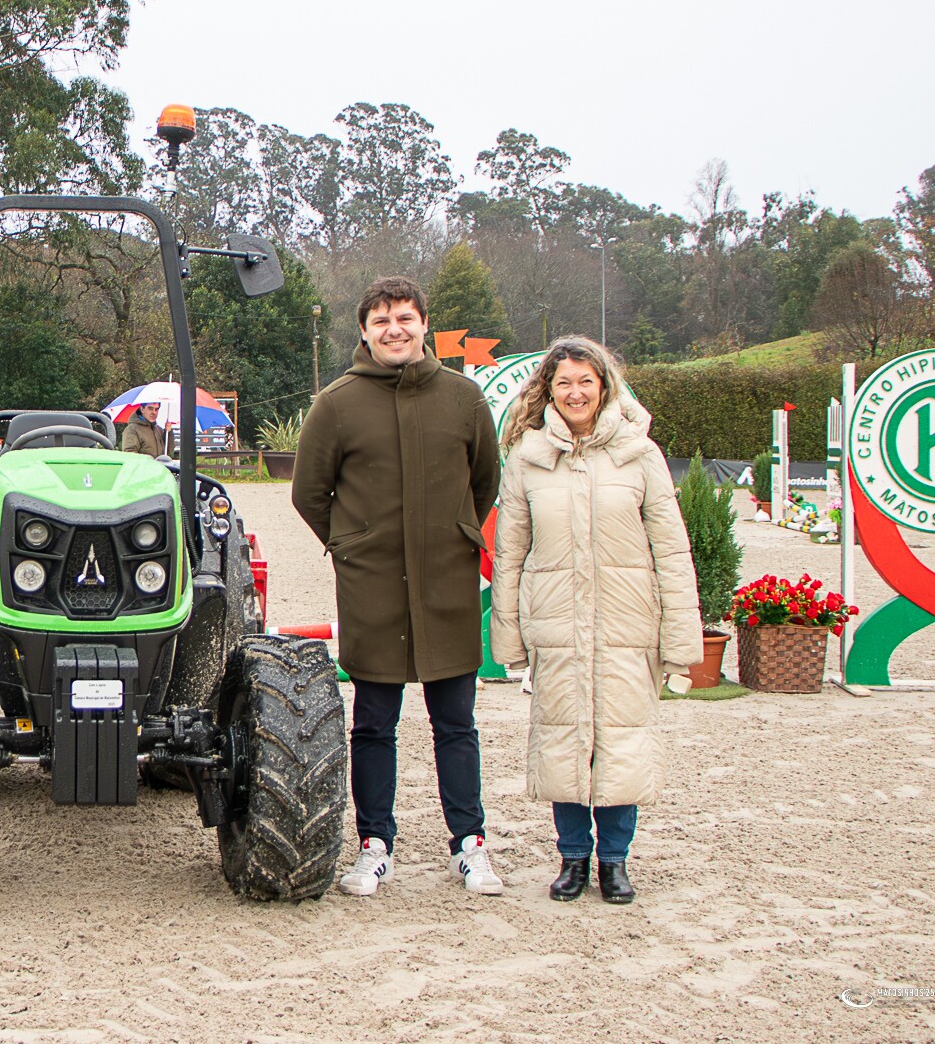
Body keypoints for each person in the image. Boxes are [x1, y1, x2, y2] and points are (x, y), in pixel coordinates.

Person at [291, 276, 503, 899]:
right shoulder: (337, 403)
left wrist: (456, 533)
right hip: (374, 586)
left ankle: (469, 844)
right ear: (363, 331)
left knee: (456, 723)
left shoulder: (464, 399)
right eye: (381, 320)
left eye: (405, 318)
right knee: (374, 722)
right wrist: (351, 546)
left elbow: (483, 482)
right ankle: (374, 845)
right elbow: (309, 492)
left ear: (424, 324)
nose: (394, 329)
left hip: (446, 584)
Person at [488, 337, 701, 905]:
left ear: (603, 385)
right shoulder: (529, 458)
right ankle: (573, 857)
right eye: (564, 383)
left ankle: (615, 860)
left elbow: (671, 550)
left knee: (620, 741)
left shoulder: (639, 454)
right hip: (556, 621)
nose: (575, 392)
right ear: (548, 391)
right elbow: (510, 553)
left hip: (626, 621)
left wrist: (680, 639)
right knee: (563, 739)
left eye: (586, 381)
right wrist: (508, 635)